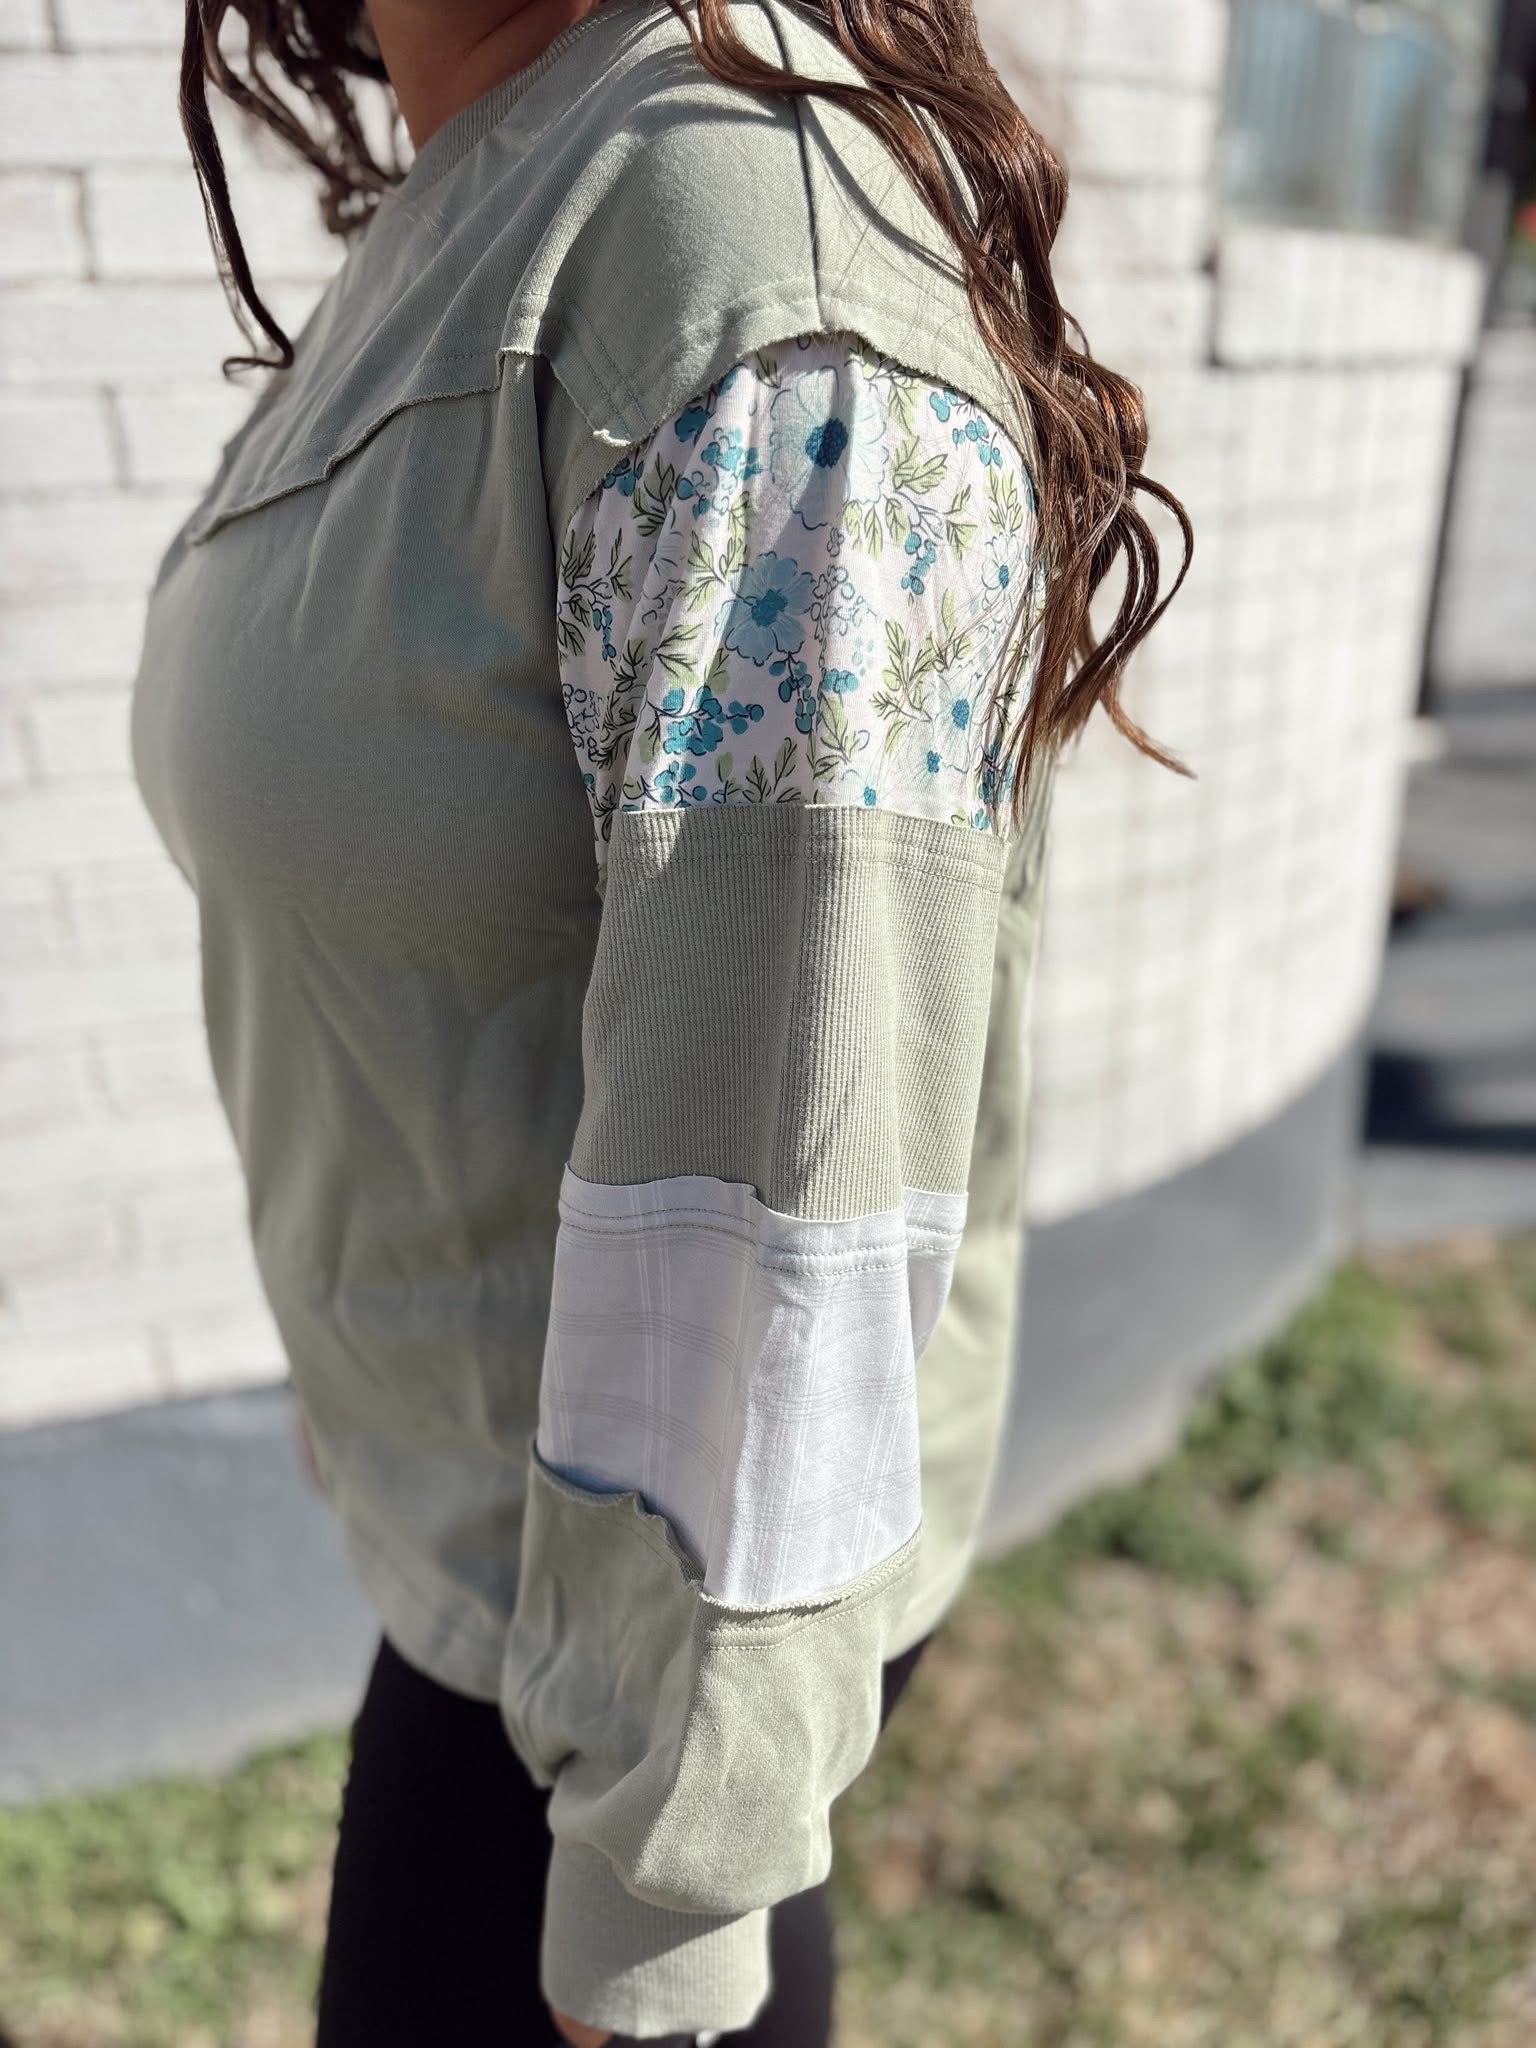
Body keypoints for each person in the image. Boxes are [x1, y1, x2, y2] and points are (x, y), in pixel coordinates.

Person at [132, 3, 1190, 2042]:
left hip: (605, 1696)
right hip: (493, 1580)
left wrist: (658, 1904)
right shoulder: (506, 176)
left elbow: (787, 1170)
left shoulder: (731, 248)